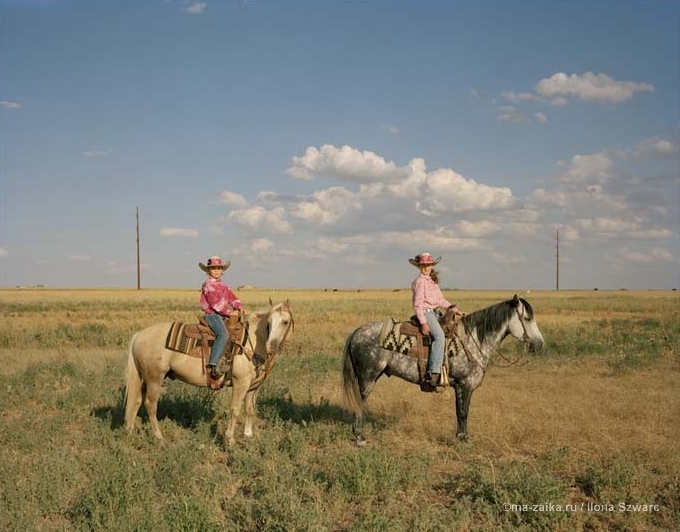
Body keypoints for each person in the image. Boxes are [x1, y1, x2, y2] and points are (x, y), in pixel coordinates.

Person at [410, 252, 464, 389]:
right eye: (423, 265)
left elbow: (440, 300)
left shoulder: (432, 281)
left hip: (435, 313)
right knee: (439, 336)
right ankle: (433, 374)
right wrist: (423, 322)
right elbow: (418, 303)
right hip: (427, 313)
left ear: (432, 266)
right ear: (419, 266)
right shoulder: (420, 282)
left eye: (428, 265)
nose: (426, 268)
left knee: (452, 330)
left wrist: (454, 309)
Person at [199, 255, 244, 379]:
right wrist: (230, 313)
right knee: (223, 334)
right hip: (212, 315)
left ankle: (229, 360)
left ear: (222, 271)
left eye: (219, 268)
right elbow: (216, 305)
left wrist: (240, 307)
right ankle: (213, 365)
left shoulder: (224, 286)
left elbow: (232, 297)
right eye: (213, 269)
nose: (216, 271)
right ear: (208, 271)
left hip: (222, 315)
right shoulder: (208, 285)